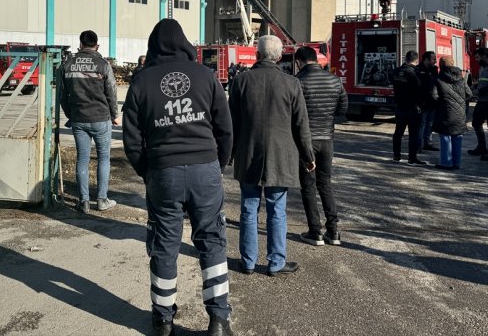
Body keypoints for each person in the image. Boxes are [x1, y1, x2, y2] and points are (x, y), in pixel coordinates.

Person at [123, 19, 234, 336]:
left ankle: (163, 321)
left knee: (164, 245)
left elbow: (131, 139)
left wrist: (148, 170)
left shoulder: (142, 82)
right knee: (212, 241)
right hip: (205, 168)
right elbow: (225, 128)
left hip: (163, 171)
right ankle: (219, 320)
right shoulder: (206, 76)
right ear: (185, 42)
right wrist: (218, 163)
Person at [229, 36, 314, 275]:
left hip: (248, 154)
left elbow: (231, 123)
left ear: (257, 55)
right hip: (281, 156)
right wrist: (308, 156)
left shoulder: (241, 81)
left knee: (248, 207)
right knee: (277, 209)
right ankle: (276, 262)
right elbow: (301, 125)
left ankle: (247, 261)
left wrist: (228, 153)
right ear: (279, 57)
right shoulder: (291, 83)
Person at [58, 30, 119, 213]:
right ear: (97, 45)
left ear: (80, 44)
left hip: (79, 119)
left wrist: (71, 114)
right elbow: (112, 91)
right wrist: (114, 114)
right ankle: (102, 200)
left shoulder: (67, 65)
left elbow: (61, 95)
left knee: (82, 159)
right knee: (103, 158)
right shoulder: (103, 65)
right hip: (101, 118)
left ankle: (83, 201)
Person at [295, 45, 347, 246]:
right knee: (325, 184)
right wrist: (328, 120)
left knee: (308, 186)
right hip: (327, 139)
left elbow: (294, 112)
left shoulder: (298, 81)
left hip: (306, 140)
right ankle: (333, 232)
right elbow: (344, 107)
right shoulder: (335, 80)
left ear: (298, 61)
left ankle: (315, 231)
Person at [431, 57, 472, 170]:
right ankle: (456, 163)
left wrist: (443, 102)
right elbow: (469, 94)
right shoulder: (461, 78)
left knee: (445, 137)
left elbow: (434, 96)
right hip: (460, 113)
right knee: (457, 137)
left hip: (445, 112)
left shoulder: (438, 78)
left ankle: (446, 163)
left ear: (441, 65)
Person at [391, 51, 427, 165]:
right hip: (413, 107)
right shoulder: (415, 72)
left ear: (406, 59)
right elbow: (420, 90)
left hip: (400, 106)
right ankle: (412, 158)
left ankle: (396, 156)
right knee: (413, 134)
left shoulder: (396, 71)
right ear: (416, 61)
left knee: (398, 132)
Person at [416, 51, 439, 152]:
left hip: (432, 102)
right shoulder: (418, 70)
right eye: (433, 59)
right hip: (422, 103)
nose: (435, 61)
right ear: (426, 59)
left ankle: (427, 143)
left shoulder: (434, 70)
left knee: (430, 124)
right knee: (422, 124)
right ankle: (418, 145)